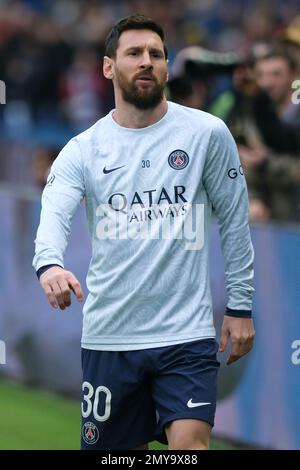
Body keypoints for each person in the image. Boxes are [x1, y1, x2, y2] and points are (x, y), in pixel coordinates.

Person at [33, 14, 255, 451]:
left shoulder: (207, 134)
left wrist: (240, 305)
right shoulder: (83, 148)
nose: (146, 62)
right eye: (134, 53)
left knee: (190, 448)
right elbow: (54, 212)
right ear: (108, 67)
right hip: (110, 337)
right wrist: (49, 264)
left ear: (168, 67)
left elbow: (234, 219)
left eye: (156, 54)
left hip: (186, 336)